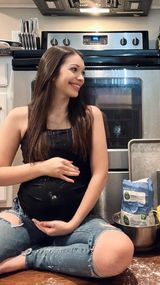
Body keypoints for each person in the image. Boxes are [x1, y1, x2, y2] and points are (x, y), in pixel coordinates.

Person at [0, 46, 134, 278]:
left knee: (118, 252)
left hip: (79, 222)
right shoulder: (20, 117)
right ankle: (59, 252)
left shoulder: (91, 115)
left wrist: (73, 223)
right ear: (52, 73)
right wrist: (42, 167)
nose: (81, 78)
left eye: (83, 72)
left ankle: (32, 257)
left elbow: (100, 173)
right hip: (26, 219)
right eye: (74, 70)